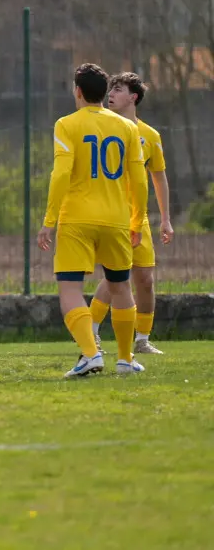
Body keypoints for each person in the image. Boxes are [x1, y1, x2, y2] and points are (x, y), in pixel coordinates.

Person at [37, 64, 148, 377]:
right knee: (121, 287)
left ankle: (90, 354)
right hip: (116, 219)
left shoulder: (66, 124)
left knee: (70, 288)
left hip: (77, 219)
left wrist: (49, 221)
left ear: (78, 91)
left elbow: (61, 174)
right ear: (104, 93)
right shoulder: (127, 127)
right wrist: (137, 220)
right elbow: (139, 180)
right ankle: (125, 359)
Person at [90, 72, 173, 355]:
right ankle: (91, 333)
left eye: (118, 89)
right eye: (110, 89)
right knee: (116, 277)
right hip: (112, 215)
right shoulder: (102, 128)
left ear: (133, 97)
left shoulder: (150, 136)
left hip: (139, 218)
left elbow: (159, 178)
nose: (110, 94)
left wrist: (166, 219)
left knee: (145, 280)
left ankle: (142, 340)